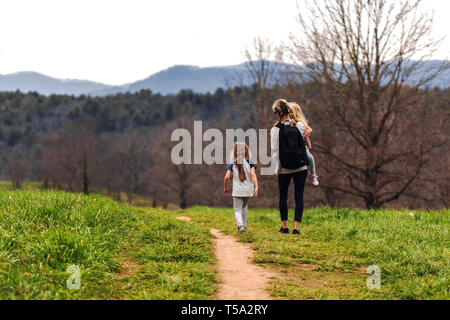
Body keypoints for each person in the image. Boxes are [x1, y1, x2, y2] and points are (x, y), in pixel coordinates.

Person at [270, 99, 308, 235]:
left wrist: (277, 169)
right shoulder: (298, 126)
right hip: (301, 166)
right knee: (299, 196)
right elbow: (305, 144)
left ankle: (284, 227)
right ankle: (296, 229)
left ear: (276, 113)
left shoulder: (275, 130)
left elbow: (275, 151)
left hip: (284, 168)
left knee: (283, 196)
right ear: (289, 110)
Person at [223, 142, 259, 234]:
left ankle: (241, 226)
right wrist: (256, 187)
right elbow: (253, 175)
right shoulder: (250, 163)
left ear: (234, 152)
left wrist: (225, 187)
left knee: (237, 210)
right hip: (248, 190)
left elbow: (227, 177)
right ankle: (245, 227)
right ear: (246, 152)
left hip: (237, 191)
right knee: (244, 207)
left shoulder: (232, 164)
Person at [289, 102, 319, 186]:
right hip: (290, 147)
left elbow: (309, 130)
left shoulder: (299, 123)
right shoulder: (286, 122)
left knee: (310, 157)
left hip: (300, 147)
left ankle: (313, 174)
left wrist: (302, 138)